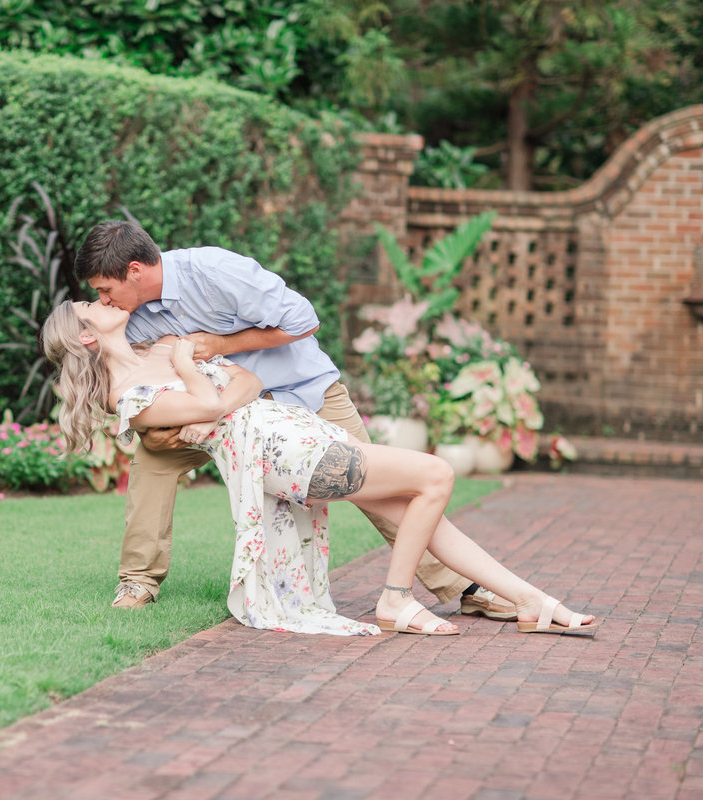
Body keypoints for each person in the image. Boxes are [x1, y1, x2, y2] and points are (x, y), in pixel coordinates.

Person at [41, 299, 598, 636]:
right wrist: (194, 373)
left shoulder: (159, 347)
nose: (103, 299)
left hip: (291, 428)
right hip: (280, 454)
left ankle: (532, 602)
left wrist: (206, 389)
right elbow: (213, 403)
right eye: (90, 303)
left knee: (416, 504)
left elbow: (249, 383)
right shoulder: (127, 393)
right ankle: (396, 598)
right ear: (86, 334)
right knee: (436, 475)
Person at [73, 220, 515, 622]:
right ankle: (139, 581)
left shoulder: (213, 271)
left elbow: (304, 319)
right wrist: (165, 427)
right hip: (224, 417)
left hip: (302, 393)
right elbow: (129, 380)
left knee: (380, 485)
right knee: (152, 458)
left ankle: (465, 587)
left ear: (135, 270)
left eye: (106, 289)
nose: (103, 300)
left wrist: (224, 342)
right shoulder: (130, 319)